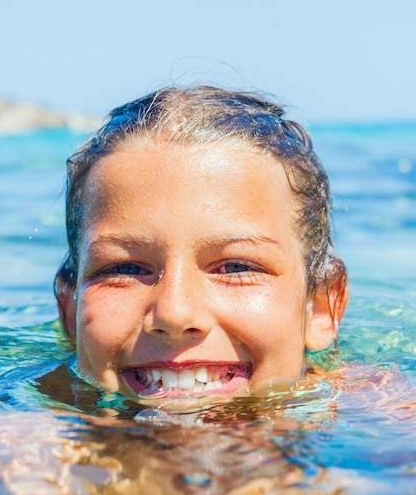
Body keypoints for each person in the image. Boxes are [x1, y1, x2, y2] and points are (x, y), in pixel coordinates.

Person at [54, 85, 349, 406]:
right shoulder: (21, 441)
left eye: (237, 267)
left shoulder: (391, 430)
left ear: (320, 307)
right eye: (124, 268)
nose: (174, 315)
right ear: (70, 308)